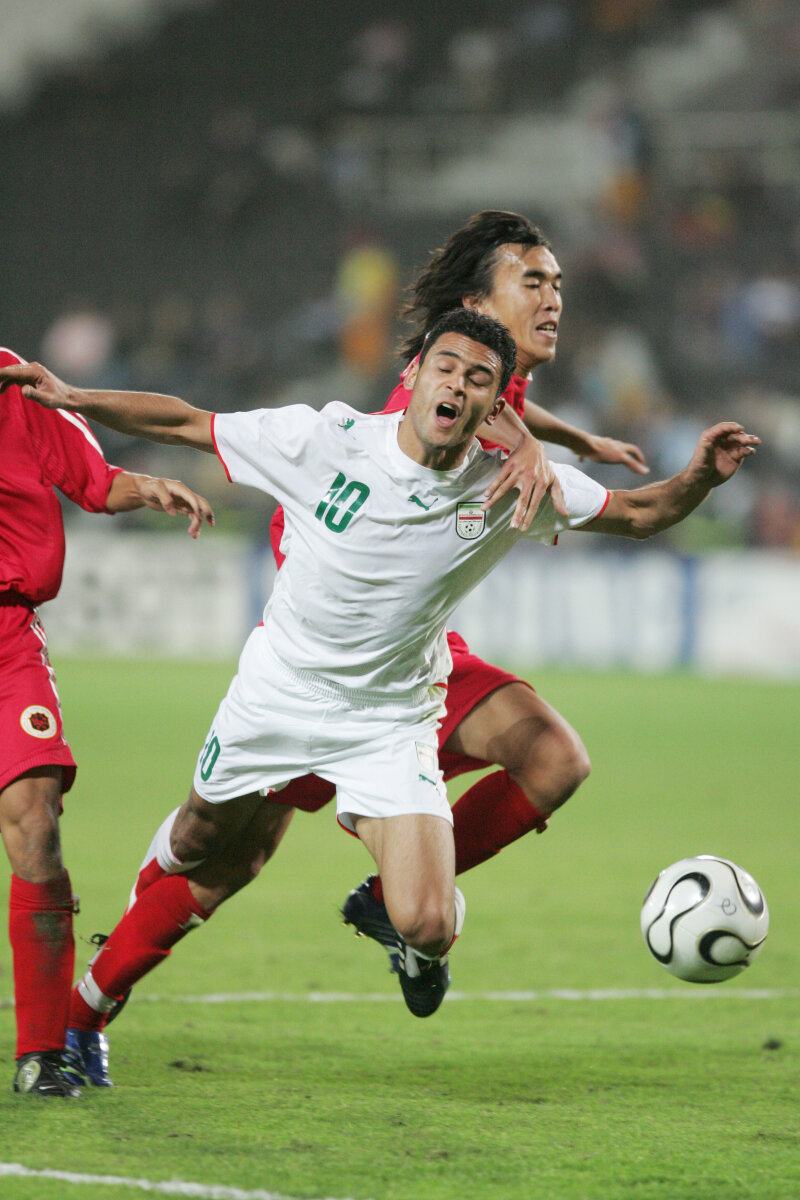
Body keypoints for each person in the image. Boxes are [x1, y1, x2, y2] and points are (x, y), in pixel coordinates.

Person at [0, 310, 758, 1090]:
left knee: (427, 922)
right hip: (278, 694)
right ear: (416, 373)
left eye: (478, 379)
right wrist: (74, 397)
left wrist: (700, 476)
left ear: (495, 405)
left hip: (389, 722)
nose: (457, 385)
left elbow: (641, 514)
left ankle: (401, 934)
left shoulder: (511, 483)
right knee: (203, 842)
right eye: (446, 367)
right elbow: (187, 422)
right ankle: (98, 986)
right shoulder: (326, 439)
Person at [0, 345, 215, 1098]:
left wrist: (148, 487)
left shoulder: (12, 384)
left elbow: (91, 480)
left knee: (36, 819)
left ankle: (41, 1052)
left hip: (6, 640)